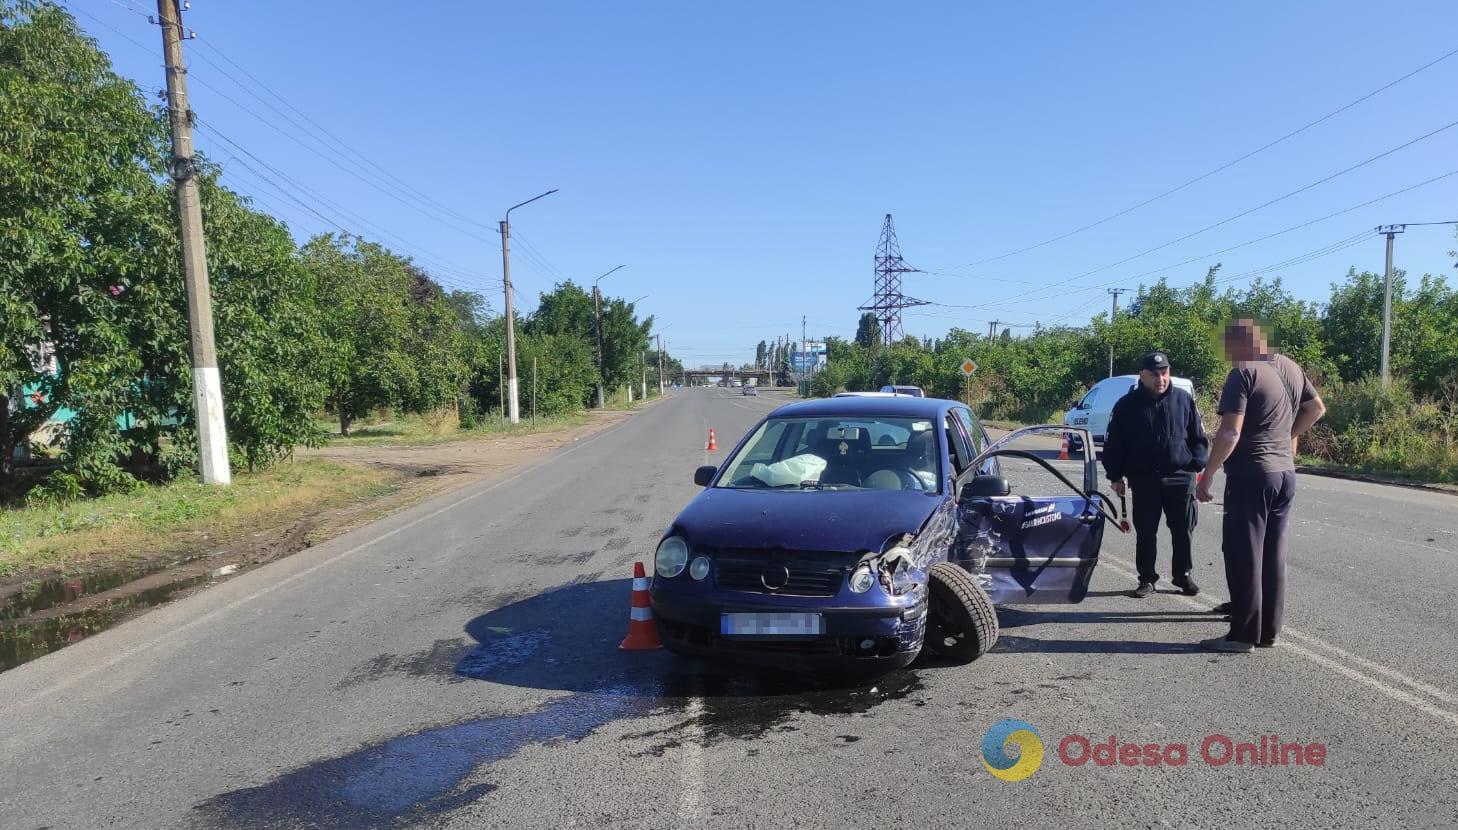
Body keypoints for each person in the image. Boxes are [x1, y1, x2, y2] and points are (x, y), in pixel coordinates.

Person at [1196, 319, 1325, 653]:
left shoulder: (1244, 373)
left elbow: (1230, 433)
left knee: (1243, 553)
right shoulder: (1291, 368)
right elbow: (1316, 408)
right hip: (1285, 474)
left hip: (1252, 473)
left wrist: (1208, 473)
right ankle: (1267, 630)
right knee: (1272, 554)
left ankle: (1241, 636)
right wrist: (1289, 436)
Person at [1101, 351, 1209, 598]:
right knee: (1146, 532)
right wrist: (1115, 476)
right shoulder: (1126, 405)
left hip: (1181, 477)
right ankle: (1147, 579)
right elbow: (1115, 444)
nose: (1160, 378)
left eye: (1164, 373)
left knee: (1183, 529)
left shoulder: (1183, 400)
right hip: (1145, 479)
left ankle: (1183, 575)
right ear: (1142, 375)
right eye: (1154, 374)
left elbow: (1198, 438)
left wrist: (1197, 465)